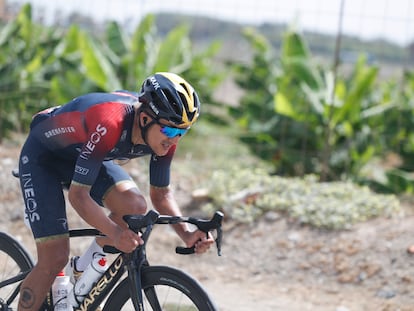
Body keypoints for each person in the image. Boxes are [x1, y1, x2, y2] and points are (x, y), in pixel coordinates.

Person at [17, 72, 214, 311]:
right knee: (54, 257)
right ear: (144, 119)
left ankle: (81, 270)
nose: (175, 140)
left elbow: (160, 195)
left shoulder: (164, 136)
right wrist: (115, 233)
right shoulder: (110, 122)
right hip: (44, 157)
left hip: (85, 153)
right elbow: (79, 197)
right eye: (172, 132)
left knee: (134, 207)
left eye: (183, 132)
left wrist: (187, 233)